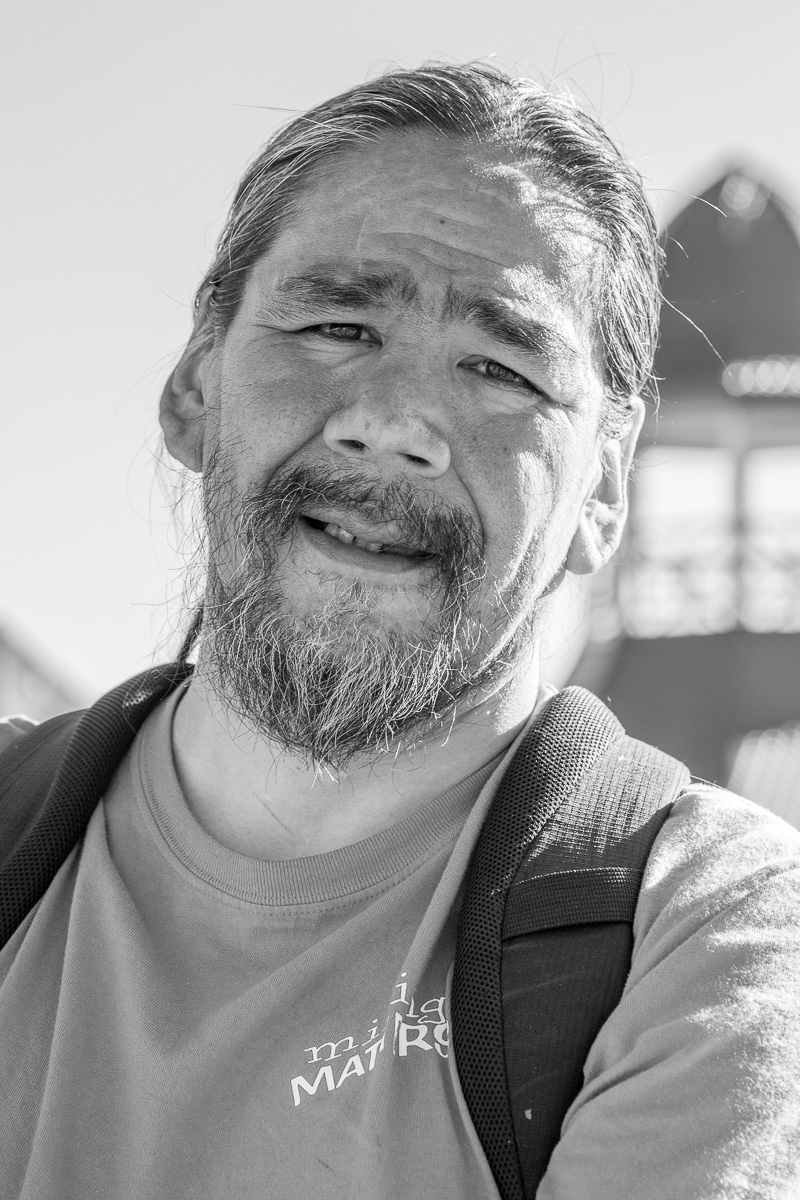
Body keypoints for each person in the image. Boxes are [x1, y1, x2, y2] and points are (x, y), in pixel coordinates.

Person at [1, 62, 799, 1200]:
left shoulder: (695, 936)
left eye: (500, 367)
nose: (391, 425)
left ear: (604, 492)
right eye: (335, 323)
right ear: (191, 387)